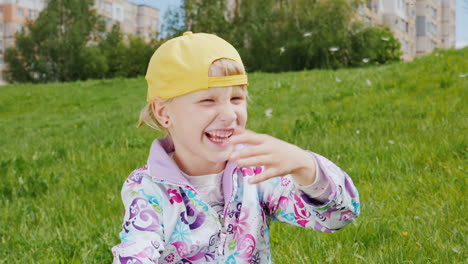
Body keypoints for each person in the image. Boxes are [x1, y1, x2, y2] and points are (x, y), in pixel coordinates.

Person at [112, 31, 360, 264]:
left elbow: (338, 217)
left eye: (236, 99)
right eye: (208, 100)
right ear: (164, 112)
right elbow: (136, 252)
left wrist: (305, 165)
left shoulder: (255, 173)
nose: (229, 115)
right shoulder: (149, 189)